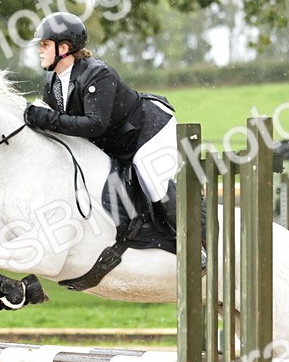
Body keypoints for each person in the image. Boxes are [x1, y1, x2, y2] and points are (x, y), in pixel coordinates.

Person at [23, 12, 180, 231]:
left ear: (64, 49)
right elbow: (55, 123)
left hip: (148, 131)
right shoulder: (52, 79)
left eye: (45, 44)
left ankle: (195, 241)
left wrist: (46, 118)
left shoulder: (97, 74)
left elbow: (95, 125)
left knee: (150, 179)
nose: (40, 49)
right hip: (117, 141)